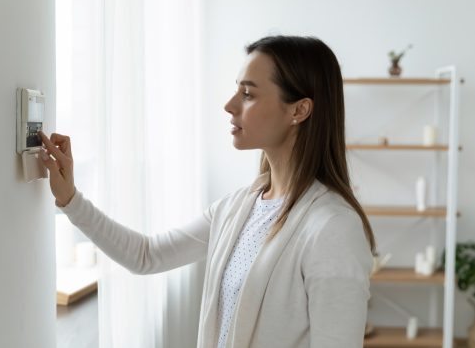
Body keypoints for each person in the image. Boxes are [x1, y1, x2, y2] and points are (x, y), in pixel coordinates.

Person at [39, 35, 376, 348]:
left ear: (299, 110)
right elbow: (146, 255)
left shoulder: (333, 228)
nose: (230, 105)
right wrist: (71, 199)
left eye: (248, 94)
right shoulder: (237, 208)